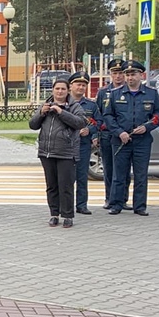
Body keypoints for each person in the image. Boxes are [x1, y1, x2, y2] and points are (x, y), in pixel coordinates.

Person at [103, 59, 159, 216]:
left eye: (133, 74)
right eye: (127, 74)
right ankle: (116, 204)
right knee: (119, 174)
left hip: (142, 141)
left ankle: (140, 206)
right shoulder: (115, 94)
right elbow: (108, 116)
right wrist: (119, 132)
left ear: (141, 75)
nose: (130, 78)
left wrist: (147, 127)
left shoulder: (151, 93)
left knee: (141, 175)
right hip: (121, 140)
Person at [29, 77, 87, 228]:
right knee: (51, 185)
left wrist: (61, 112)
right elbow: (33, 125)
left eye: (63, 89)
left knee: (65, 185)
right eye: (57, 89)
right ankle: (54, 214)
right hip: (47, 152)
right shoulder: (46, 105)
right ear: (52, 90)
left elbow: (80, 123)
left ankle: (67, 215)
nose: (59, 91)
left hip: (66, 153)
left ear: (68, 91)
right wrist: (41, 113)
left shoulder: (74, 106)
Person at [95, 58, 127, 208]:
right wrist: (96, 134)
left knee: (124, 170)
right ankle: (109, 198)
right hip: (107, 135)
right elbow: (98, 114)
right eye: (115, 73)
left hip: (124, 135)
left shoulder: (128, 90)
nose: (118, 76)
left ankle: (123, 199)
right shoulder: (103, 92)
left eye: (121, 73)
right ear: (110, 74)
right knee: (109, 168)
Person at [68, 72, 99, 215]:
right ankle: (66, 205)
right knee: (67, 177)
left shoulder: (91, 105)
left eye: (83, 85)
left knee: (82, 176)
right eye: (78, 84)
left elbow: (99, 122)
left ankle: (81, 205)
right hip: (66, 145)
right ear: (71, 86)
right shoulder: (64, 102)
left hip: (83, 144)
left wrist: (90, 129)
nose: (80, 87)